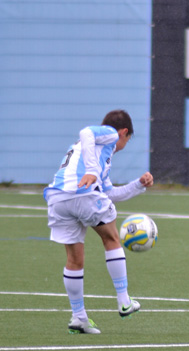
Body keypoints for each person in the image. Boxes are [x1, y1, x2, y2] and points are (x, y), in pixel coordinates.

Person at [44, 109, 155, 334]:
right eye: (128, 139)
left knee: (74, 259)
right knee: (112, 238)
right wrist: (93, 172)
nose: (124, 143)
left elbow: (109, 193)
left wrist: (138, 185)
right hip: (82, 193)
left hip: (58, 198)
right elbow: (86, 131)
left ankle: (78, 317)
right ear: (123, 132)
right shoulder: (108, 135)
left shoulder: (95, 153)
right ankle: (124, 301)